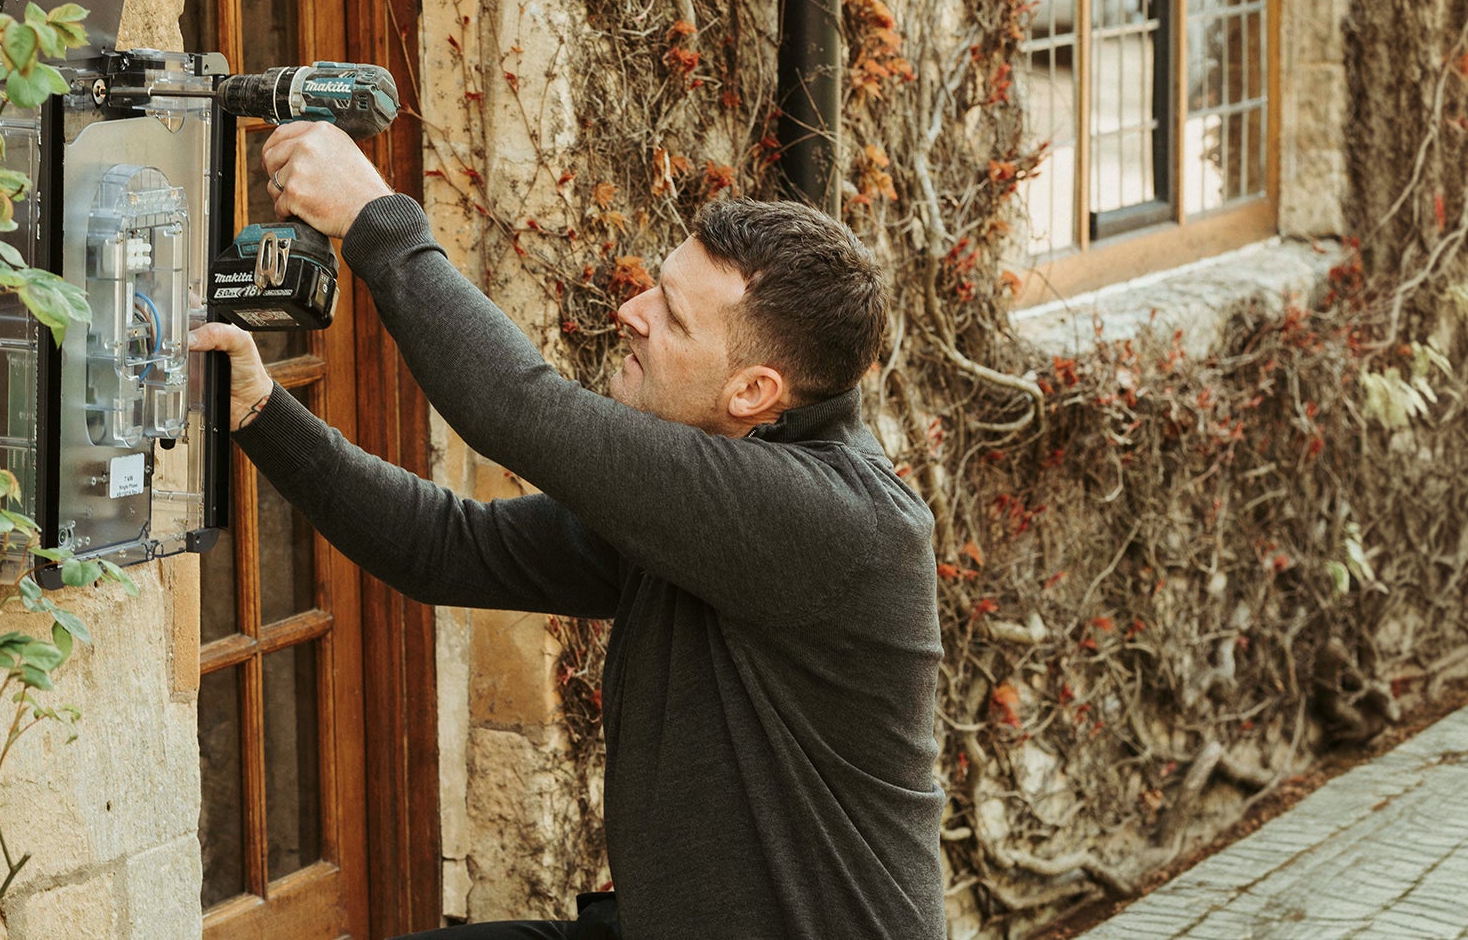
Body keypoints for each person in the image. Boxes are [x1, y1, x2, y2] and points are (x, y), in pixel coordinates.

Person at [190, 122, 946, 940]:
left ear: (752, 391)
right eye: (655, 286)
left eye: (672, 317)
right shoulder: (716, 499)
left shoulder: (830, 524)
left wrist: (375, 216)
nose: (630, 311)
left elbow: (517, 408)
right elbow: (450, 549)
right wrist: (260, 410)